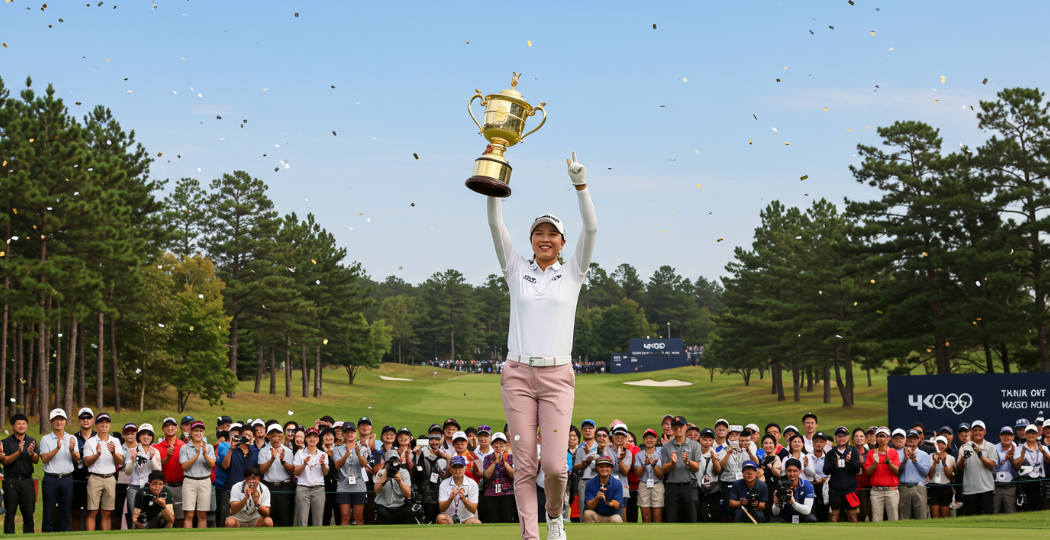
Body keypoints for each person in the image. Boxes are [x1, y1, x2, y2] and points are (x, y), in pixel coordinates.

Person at [487, 151, 596, 540]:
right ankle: (530, 536)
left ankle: (554, 516)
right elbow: (495, 224)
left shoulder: (573, 272)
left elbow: (593, 229)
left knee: (554, 466)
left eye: (552, 233)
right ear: (531, 240)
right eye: (538, 233)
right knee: (524, 465)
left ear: (563, 241)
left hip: (556, 375)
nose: (545, 238)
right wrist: (492, 181)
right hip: (517, 373)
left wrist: (581, 188)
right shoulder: (517, 269)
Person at [82, 412, 124, 531]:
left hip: (110, 478)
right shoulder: (90, 442)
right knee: (92, 512)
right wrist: (98, 454)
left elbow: (119, 461)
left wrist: (113, 453)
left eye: (107, 422)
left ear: (110, 425)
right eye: (101, 423)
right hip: (95, 478)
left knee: (106, 513)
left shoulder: (115, 441)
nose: (104, 425)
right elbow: (87, 462)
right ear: (96, 425)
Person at [659, 415, 703, 523]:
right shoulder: (666, 447)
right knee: (671, 517)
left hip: (689, 485)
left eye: (681, 427)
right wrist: (672, 463)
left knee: (691, 517)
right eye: (675, 427)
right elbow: (664, 469)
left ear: (686, 427)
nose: (678, 429)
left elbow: (696, 467)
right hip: (672, 486)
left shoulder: (695, 445)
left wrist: (688, 462)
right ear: (672, 429)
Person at [40, 409, 78, 532]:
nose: (59, 422)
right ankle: (46, 536)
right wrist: (57, 447)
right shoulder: (45, 439)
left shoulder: (72, 438)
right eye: (56, 420)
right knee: (48, 513)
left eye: (61, 419)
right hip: (51, 479)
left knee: (65, 513)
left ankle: (65, 536)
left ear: (65, 421)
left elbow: (77, 459)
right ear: (51, 422)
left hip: (67, 479)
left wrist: (72, 450)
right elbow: (44, 459)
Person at [123, 423, 160, 530]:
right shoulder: (133, 451)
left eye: (149, 434)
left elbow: (158, 472)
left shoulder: (155, 451)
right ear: (139, 436)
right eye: (143, 434)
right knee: (135, 519)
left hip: (149, 489)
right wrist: (133, 460)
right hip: (134, 488)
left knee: (148, 519)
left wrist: (152, 459)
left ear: (152, 437)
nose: (146, 437)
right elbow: (127, 472)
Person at [178, 421, 215, 528]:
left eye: (201, 431)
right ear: (190, 432)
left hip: (205, 480)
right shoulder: (184, 448)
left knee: (202, 514)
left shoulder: (209, 447)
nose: (198, 433)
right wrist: (197, 455)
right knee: (189, 514)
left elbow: (212, 464)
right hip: (189, 481)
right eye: (196, 431)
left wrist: (204, 454)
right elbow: (184, 466)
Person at [257, 423, 294, 527]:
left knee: (284, 518)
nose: (276, 438)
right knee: (269, 517)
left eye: (278, 435)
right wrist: (272, 459)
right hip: (269, 487)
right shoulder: (263, 451)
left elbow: (291, 471)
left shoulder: (288, 451)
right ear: (268, 436)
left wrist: (283, 461)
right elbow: (262, 470)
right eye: (273, 436)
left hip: (284, 487)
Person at [958, 420, 997, 515]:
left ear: (985, 432)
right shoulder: (964, 447)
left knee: (988, 519)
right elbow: (960, 467)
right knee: (971, 521)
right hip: (969, 490)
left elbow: (992, 465)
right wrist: (963, 458)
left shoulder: (990, 446)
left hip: (986, 488)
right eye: (975, 430)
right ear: (971, 432)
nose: (977, 432)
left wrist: (981, 456)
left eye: (980, 430)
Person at [333, 422, 369, 526]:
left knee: (359, 518)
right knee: (345, 517)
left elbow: (364, 464)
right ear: (343, 434)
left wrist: (358, 453)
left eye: (351, 432)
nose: (349, 435)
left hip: (359, 485)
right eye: (346, 432)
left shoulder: (361, 448)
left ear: (355, 433)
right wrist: (346, 455)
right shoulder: (337, 449)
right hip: (343, 486)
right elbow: (337, 465)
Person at [823, 425, 860, 522]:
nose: (841, 438)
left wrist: (850, 462)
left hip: (850, 489)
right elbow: (825, 470)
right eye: (839, 436)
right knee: (834, 517)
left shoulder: (853, 451)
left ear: (848, 438)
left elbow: (857, 469)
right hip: (835, 489)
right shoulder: (831, 453)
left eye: (843, 436)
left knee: (852, 516)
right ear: (835, 438)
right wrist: (835, 465)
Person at [293, 428, 329, 526]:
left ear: (318, 439)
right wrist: (304, 463)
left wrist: (322, 464)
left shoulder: (323, 454)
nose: (312, 439)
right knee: (302, 520)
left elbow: (325, 473)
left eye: (315, 437)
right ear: (306, 439)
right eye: (309, 437)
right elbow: (296, 472)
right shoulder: (300, 454)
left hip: (318, 488)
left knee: (318, 520)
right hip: (303, 487)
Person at [154, 417, 186, 526]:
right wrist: (168, 457)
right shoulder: (156, 447)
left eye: (172, 425)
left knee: (180, 518)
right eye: (167, 426)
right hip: (163, 487)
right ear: (163, 429)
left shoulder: (184, 446)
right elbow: (157, 465)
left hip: (181, 486)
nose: (170, 428)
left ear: (177, 428)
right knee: (165, 518)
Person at [864, 426, 900, 522]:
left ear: (889, 438)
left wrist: (890, 463)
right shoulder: (871, 453)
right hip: (876, 491)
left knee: (893, 518)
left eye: (884, 436)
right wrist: (875, 463)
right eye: (879, 436)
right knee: (876, 520)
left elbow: (896, 471)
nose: (882, 438)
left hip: (891, 490)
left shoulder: (893, 452)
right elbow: (867, 472)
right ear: (876, 438)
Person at [70, 408, 96, 531]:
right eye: (83, 418)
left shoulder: (99, 437)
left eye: (88, 417)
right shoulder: (73, 438)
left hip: (95, 480)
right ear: (79, 420)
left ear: (93, 420)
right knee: (75, 512)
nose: (85, 420)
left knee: (94, 513)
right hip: (77, 481)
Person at [417, 424, 449, 524]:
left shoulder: (446, 453)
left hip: (444, 496)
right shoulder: (422, 453)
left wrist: (445, 456)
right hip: (427, 497)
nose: (434, 441)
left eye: (437, 437)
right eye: (432, 437)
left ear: (442, 439)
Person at [481, 432, 516, 523]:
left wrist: (503, 461)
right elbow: (487, 476)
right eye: (496, 445)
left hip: (507, 493)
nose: (498, 447)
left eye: (501, 445)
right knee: (493, 520)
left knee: (507, 519)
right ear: (492, 446)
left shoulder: (511, 458)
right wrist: (495, 462)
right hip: (491, 493)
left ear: (505, 446)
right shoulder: (487, 458)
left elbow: (513, 475)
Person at [222, 425, 259, 509]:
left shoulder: (256, 452)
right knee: (228, 518)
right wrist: (231, 449)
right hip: (231, 488)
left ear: (253, 438)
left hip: (249, 490)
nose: (246, 437)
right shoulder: (233, 450)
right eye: (244, 435)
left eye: (249, 435)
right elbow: (225, 466)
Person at [770, 458, 817, 523]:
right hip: (785, 516)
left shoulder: (807, 485)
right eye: (789, 471)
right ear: (785, 471)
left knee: (811, 519)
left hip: (802, 515)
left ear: (800, 471)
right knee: (774, 520)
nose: (792, 474)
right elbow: (775, 513)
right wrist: (776, 504)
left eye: (795, 471)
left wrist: (793, 503)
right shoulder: (780, 485)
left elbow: (807, 510)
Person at [437, 456, 481, 524]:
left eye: (460, 467)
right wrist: (450, 498)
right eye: (455, 467)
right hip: (450, 518)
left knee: (476, 522)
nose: (458, 470)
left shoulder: (472, 483)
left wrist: (464, 499)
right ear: (450, 469)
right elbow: (442, 509)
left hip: (467, 519)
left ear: (464, 468)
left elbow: (473, 509)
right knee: (441, 518)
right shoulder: (444, 483)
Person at [374, 449, 414, 524]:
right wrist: (382, 482)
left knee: (408, 511)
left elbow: (408, 494)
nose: (393, 463)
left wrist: (400, 481)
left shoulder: (404, 472)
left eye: (395, 461)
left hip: (399, 505)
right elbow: (377, 491)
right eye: (390, 461)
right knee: (382, 513)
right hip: (384, 505)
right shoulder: (381, 472)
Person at [898, 429, 930, 519]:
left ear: (919, 440)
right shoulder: (899, 453)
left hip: (918, 487)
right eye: (910, 438)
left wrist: (915, 461)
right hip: (903, 487)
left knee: (921, 516)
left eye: (915, 439)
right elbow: (896, 471)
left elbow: (925, 472)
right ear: (905, 440)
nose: (912, 441)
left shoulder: (924, 454)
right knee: (904, 517)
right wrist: (905, 458)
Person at [633, 429, 663, 523]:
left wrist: (654, 465)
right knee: (646, 519)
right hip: (644, 484)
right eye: (647, 438)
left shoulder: (661, 454)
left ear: (656, 440)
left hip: (657, 484)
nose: (649, 440)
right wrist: (645, 465)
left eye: (652, 438)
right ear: (643, 440)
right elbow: (638, 474)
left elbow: (661, 475)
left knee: (657, 518)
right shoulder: (639, 455)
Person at [1018, 423, 1049, 511]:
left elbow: (1049, 460)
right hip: (1025, 482)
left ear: (1038, 434)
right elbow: (1016, 467)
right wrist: (1022, 455)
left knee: (1041, 508)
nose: (1031, 435)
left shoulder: (1044, 448)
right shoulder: (1019, 448)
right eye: (1029, 433)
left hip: (1040, 482)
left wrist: (1043, 451)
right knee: (1027, 509)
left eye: (1033, 433)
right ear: (1025, 434)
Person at [572, 419, 599, 518]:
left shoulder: (599, 446)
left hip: (597, 480)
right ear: (582, 432)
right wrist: (583, 464)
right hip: (583, 481)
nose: (588, 431)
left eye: (590, 429)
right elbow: (575, 467)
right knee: (583, 507)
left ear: (594, 430)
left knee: (598, 506)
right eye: (585, 429)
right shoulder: (579, 449)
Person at [583, 456, 623, 523]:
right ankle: (591, 533)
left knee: (617, 519)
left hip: (612, 516)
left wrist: (606, 502)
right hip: (597, 516)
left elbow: (616, 506)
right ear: (597, 468)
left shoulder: (617, 483)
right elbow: (589, 507)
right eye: (601, 466)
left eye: (607, 467)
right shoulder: (590, 483)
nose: (604, 469)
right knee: (587, 513)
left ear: (611, 468)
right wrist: (597, 498)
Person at [992, 426, 1021, 514]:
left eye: (1009, 435)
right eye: (1004, 434)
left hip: (1011, 485)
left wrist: (1011, 459)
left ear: (1013, 437)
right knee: (994, 511)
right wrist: (1004, 460)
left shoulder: (1017, 449)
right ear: (1000, 436)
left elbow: (1018, 470)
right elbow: (991, 467)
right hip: (996, 485)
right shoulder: (993, 448)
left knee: (1011, 512)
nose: (1006, 437)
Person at [695, 428, 722, 522]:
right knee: (701, 515)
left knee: (714, 514)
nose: (707, 442)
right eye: (705, 439)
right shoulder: (695, 452)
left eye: (710, 440)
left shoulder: (714, 453)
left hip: (713, 488)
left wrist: (714, 459)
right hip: (698, 488)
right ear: (700, 439)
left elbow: (717, 470)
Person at [926, 435, 955, 518]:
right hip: (933, 487)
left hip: (945, 487)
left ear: (946, 445)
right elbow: (930, 475)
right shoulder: (929, 457)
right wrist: (934, 463)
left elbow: (949, 476)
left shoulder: (951, 458)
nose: (940, 445)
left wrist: (943, 461)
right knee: (935, 516)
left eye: (943, 443)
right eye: (938, 443)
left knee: (945, 515)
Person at [806, 431, 829, 522]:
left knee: (823, 514)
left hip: (824, 487)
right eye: (816, 441)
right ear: (813, 443)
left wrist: (824, 480)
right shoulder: (807, 457)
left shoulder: (828, 457)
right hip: (810, 486)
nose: (818, 444)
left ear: (825, 443)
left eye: (821, 442)